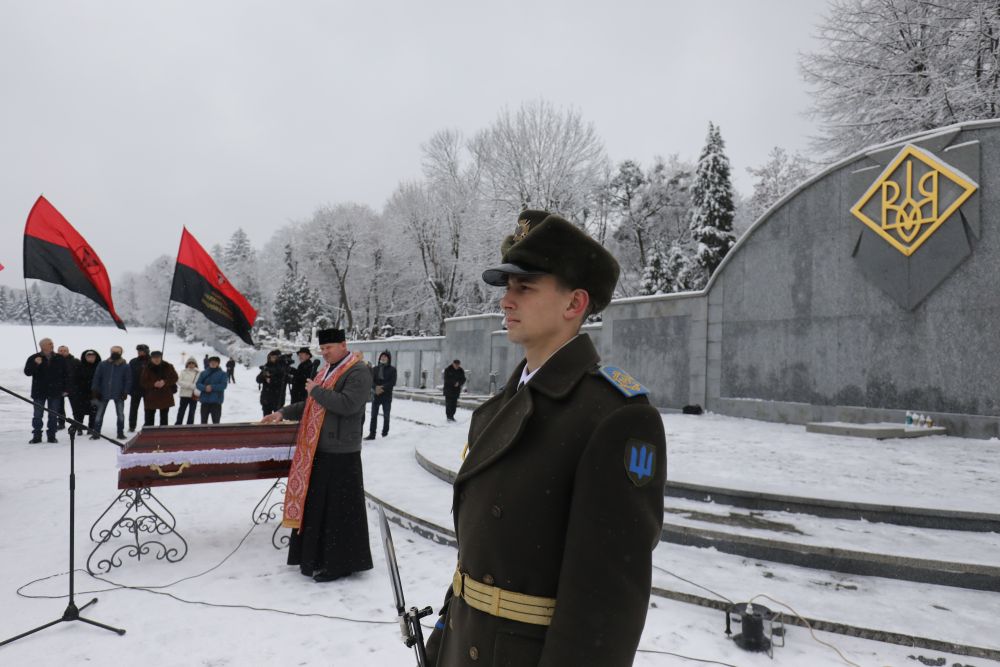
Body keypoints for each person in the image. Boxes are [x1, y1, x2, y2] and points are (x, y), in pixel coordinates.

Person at [424, 211, 667, 666]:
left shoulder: (614, 417)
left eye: (525, 287)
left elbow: (607, 605)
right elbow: (476, 561)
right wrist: (442, 644)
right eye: (506, 288)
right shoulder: (499, 408)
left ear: (574, 304)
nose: (506, 302)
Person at [261, 328, 373, 583]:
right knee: (319, 507)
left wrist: (316, 391)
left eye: (329, 348)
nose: (324, 353)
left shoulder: (358, 370)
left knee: (338, 510)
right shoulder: (327, 371)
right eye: (321, 349)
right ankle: (316, 557)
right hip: (319, 448)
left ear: (343, 345)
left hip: (342, 451)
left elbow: (348, 404)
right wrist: (282, 412)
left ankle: (340, 563)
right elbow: (311, 404)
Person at [23, 337, 68, 443]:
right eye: (49, 344)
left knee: (53, 415)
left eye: (52, 343)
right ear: (42, 346)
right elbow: (27, 372)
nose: (52, 345)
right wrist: (35, 364)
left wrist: (66, 388)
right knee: (38, 415)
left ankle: (52, 436)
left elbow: (66, 375)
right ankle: (37, 436)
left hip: (55, 391)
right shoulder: (34, 358)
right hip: (39, 392)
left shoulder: (59, 358)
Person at [91, 345, 132, 440]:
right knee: (99, 414)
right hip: (103, 393)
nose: (115, 353)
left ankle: (120, 433)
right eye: (113, 351)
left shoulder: (125, 366)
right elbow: (97, 378)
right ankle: (96, 433)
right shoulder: (102, 364)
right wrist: (95, 390)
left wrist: (125, 392)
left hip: (119, 393)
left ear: (121, 353)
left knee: (120, 414)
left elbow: (128, 380)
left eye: (117, 352)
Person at [140, 351, 178, 426]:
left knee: (164, 418)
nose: (156, 359)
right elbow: (143, 382)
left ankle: (163, 434)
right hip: (151, 396)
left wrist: (165, 382)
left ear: (161, 357)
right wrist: (153, 384)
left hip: (165, 395)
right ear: (151, 358)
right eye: (154, 358)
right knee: (149, 418)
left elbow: (175, 378)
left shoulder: (168, 366)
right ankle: (149, 434)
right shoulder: (146, 368)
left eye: (158, 358)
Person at [365, 350, 396, 440]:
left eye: (385, 357)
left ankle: (385, 433)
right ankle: (372, 434)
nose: (383, 358)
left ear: (388, 359)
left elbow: (392, 382)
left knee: (386, 416)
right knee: (373, 416)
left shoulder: (392, 370)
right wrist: (375, 388)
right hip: (376, 396)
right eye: (382, 356)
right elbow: (371, 380)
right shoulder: (375, 369)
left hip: (386, 396)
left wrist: (381, 388)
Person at [72, 349, 102, 436]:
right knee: (79, 412)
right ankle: (79, 428)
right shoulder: (79, 366)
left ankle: (91, 428)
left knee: (93, 412)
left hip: (95, 394)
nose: (91, 358)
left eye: (93, 356)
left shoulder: (99, 366)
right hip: (81, 393)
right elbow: (74, 379)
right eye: (88, 356)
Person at [256, 350, 289, 417]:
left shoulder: (282, 367)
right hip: (266, 399)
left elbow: (283, 380)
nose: (272, 358)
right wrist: (264, 376)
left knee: (278, 422)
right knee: (266, 421)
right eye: (271, 357)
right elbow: (258, 379)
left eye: (274, 357)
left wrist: (271, 380)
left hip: (278, 399)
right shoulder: (266, 367)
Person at [196, 356, 228, 424]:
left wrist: (212, 387)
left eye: (215, 362)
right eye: (211, 362)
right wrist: (205, 388)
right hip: (205, 401)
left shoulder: (223, 374)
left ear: (218, 363)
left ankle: (216, 434)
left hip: (216, 401)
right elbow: (198, 384)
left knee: (216, 422)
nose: (213, 363)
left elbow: (223, 385)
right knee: (203, 422)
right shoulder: (203, 373)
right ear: (209, 363)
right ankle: (203, 434)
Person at [127, 344, 150, 432]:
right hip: (135, 389)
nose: (140, 353)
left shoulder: (151, 361)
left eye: (142, 351)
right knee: (133, 409)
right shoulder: (133, 361)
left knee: (148, 409)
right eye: (138, 351)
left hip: (148, 390)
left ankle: (147, 425)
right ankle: (132, 426)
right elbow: (129, 376)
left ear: (147, 351)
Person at [55, 345, 78, 431]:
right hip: (58, 388)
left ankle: (77, 423)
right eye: (60, 350)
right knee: (59, 408)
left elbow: (77, 376)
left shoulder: (75, 361)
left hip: (72, 388)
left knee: (75, 407)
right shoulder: (54, 361)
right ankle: (61, 423)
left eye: (64, 350)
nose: (62, 352)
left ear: (68, 351)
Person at [175, 359, 200, 425]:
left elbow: (199, 383)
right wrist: (190, 386)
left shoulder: (198, 373)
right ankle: (178, 423)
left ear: (195, 364)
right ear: (187, 364)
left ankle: (190, 424)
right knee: (181, 410)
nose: (191, 364)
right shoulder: (183, 372)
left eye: (193, 363)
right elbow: (179, 381)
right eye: (189, 363)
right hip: (184, 394)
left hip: (193, 395)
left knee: (192, 411)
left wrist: (193, 386)